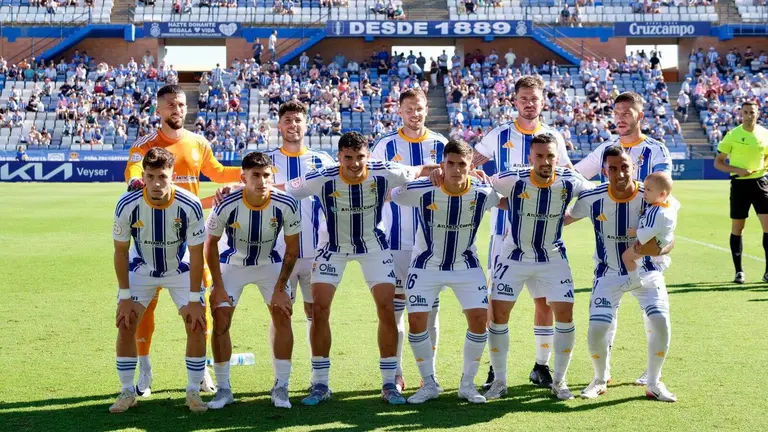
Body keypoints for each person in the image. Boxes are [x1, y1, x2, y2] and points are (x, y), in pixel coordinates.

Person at [285, 132, 438, 406]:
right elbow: (283, 187)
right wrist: (241, 187)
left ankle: (389, 383)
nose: (355, 164)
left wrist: (436, 170)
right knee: (319, 310)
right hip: (333, 248)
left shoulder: (384, 171)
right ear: (339, 157)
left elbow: (417, 170)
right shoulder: (322, 176)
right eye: (348, 158)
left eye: (360, 157)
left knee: (387, 308)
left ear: (369, 156)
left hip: (372, 247)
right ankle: (320, 384)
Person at [124, 84, 242, 397]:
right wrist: (136, 180)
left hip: (191, 240)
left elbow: (216, 173)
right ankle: (145, 372)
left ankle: (201, 369)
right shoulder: (146, 145)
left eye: (180, 105)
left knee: (198, 305)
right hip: (150, 237)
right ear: (158, 110)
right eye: (170, 105)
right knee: (144, 308)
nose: (177, 110)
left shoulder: (198, 142)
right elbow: (134, 172)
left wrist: (248, 172)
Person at [470, 75, 573, 390]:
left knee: (543, 302)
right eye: (524, 98)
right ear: (514, 101)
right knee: (498, 304)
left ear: (543, 102)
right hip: (504, 236)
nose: (530, 103)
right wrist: (495, 198)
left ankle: (540, 366)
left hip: (544, 238)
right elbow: (470, 165)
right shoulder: (499, 135)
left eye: (535, 98)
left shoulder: (553, 137)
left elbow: (568, 177)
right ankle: (494, 369)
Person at [483, 133, 593, 400]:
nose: (545, 161)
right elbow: (484, 186)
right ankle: (499, 381)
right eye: (540, 156)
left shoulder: (570, 180)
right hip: (513, 256)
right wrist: (506, 204)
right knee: (498, 317)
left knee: (564, 316)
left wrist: (569, 217)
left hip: (552, 257)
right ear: (530, 158)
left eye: (551, 156)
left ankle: (559, 380)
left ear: (558, 157)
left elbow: (597, 195)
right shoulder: (513, 178)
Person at [573, 91, 672, 385]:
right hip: (611, 247)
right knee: (604, 318)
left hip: (646, 247)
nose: (620, 118)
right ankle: (602, 374)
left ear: (639, 116)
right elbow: (577, 176)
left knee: (657, 317)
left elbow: (665, 191)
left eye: (626, 113)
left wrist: (658, 236)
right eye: (616, 113)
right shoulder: (607, 148)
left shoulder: (656, 149)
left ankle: (652, 377)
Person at [565, 145, 677, 403]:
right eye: (613, 168)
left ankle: (654, 382)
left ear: (634, 167)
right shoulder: (592, 198)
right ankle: (601, 378)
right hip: (608, 273)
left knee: (660, 322)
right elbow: (564, 219)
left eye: (624, 167)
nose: (620, 173)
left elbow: (670, 240)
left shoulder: (652, 196)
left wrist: (653, 248)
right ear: (604, 171)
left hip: (647, 271)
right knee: (596, 330)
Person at [392, 139, 499, 404]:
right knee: (417, 323)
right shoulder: (423, 189)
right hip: (426, 265)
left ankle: (467, 384)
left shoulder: (484, 192)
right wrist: (422, 174)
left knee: (478, 321)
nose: (455, 169)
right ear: (442, 164)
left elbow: (504, 199)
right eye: (450, 163)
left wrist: (485, 178)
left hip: (465, 265)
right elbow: (394, 194)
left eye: (461, 164)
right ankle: (429, 384)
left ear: (469, 166)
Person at [109, 147, 208, 413]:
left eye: (162, 176)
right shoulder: (127, 204)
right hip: (141, 269)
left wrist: (195, 298)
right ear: (143, 175)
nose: (156, 184)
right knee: (126, 322)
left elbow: (197, 254)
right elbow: (120, 252)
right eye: (150, 176)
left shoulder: (189, 204)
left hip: (180, 269)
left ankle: (192, 391)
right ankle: (128, 391)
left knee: (197, 323)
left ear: (172, 175)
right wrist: (125, 296)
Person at [204, 152, 300, 410]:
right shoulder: (226, 203)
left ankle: (281, 386)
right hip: (232, 264)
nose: (261, 181)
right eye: (254, 175)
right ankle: (223, 390)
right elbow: (210, 244)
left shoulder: (286, 204)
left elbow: (292, 249)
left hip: (269, 264)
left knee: (283, 314)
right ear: (243, 177)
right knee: (221, 318)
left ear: (272, 176)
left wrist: (281, 289)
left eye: (266, 175)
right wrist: (218, 286)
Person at [370, 88, 449, 392]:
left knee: (430, 310)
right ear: (399, 111)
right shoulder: (385, 146)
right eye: (409, 109)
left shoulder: (441, 145)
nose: (415, 114)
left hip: (433, 245)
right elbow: (373, 190)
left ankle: (428, 374)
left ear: (426, 110)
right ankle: (396, 373)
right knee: (395, 310)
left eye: (419, 109)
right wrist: (410, 184)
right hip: (395, 242)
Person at [714, 100, 768, 284]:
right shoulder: (732, 135)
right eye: (745, 112)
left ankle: (767, 272)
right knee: (738, 228)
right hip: (739, 185)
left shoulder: (764, 134)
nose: (749, 115)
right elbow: (718, 162)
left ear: (757, 113)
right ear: (741, 114)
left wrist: (764, 167)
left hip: (760, 184)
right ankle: (739, 272)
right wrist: (738, 170)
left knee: (767, 227)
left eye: (752, 112)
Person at [620, 172, 679, 291]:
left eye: (648, 190)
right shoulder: (668, 204)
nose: (644, 192)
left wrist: (636, 232)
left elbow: (649, 231)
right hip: (663, 239)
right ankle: (662, 260)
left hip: (654, 243)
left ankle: (635, 281)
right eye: (644, 188)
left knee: (627, 257)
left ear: (662, 194)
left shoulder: (656, 212)